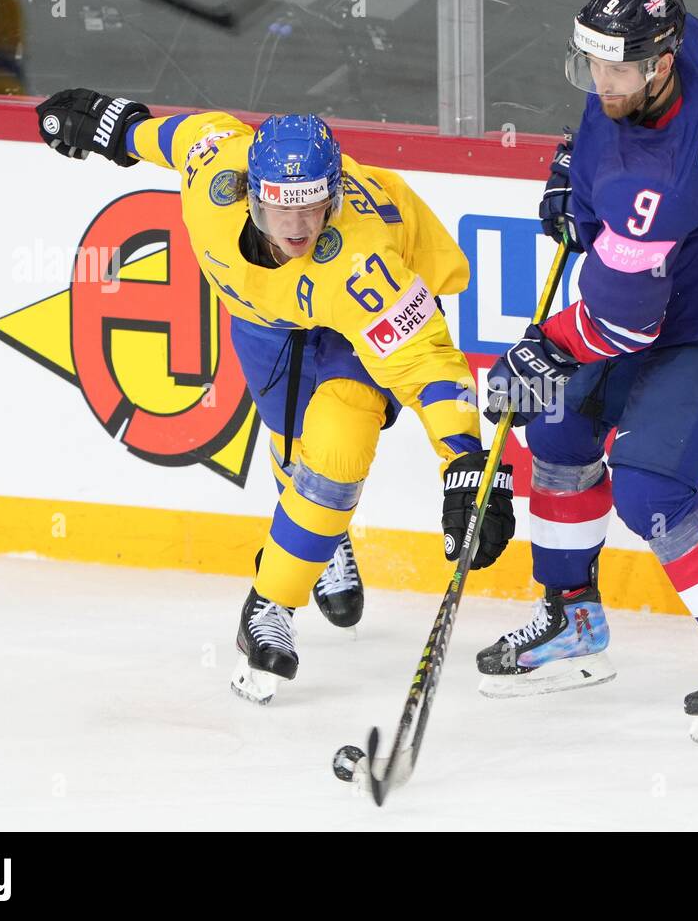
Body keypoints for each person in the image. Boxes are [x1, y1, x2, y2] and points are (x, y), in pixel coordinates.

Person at [34, 91, 515, 704]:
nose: (296, 227)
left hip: (358, 315)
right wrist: (117, 127)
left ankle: (269, 607)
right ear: (249, 193)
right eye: (281, 207)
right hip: (264, 321)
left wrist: (466, 463)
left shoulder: (363, 261)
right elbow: (173, 136)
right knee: (296, 460)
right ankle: (322, 533)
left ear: (334, 196)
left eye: (314, 206)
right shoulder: (215, 171)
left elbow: (427, 364)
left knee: (338, 452)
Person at [479, 0, 698, 743]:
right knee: (557, 432)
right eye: (590, 63)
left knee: (651, 490)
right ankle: (573, 621)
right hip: (686, 258)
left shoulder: (655, 183)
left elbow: (621, 325)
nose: (600, 82)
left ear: (658, 66)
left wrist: (547, 350)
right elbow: (609, 128)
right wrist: (576, 168)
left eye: (616, 71)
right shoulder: (685, 41)